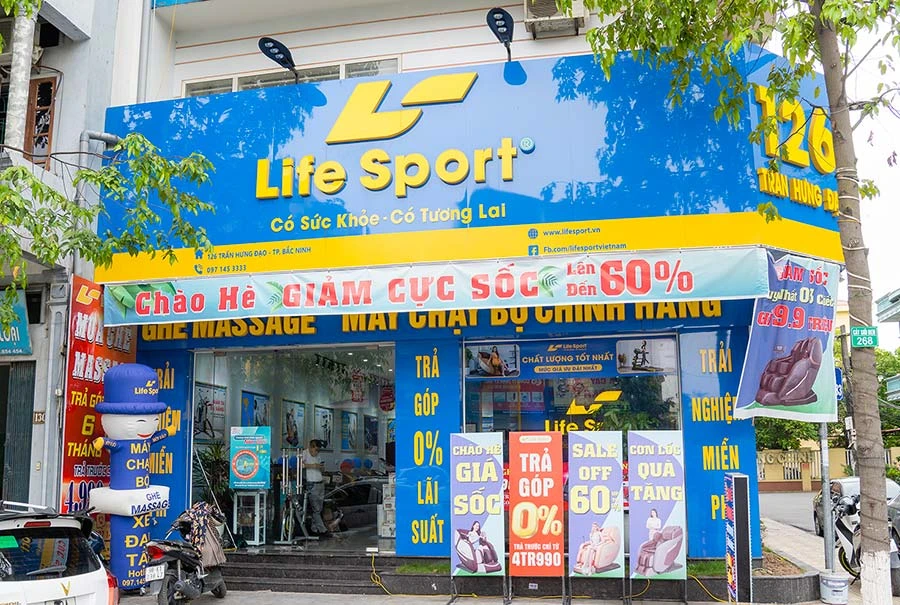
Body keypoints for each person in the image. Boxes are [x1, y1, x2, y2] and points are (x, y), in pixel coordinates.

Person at [302, 439, 329, 537]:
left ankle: (314, 529)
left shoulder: (318, 456)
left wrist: (321, 467)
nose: (316, 452)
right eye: (315, 450)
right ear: (310, 447)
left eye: (318, 450)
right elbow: (300, 465)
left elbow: (322, 468)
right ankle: (323, 530)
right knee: (316, 508)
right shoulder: (304, 454)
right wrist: (313, 466)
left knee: (319, 508)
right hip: (311, 483)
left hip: (320, 483)